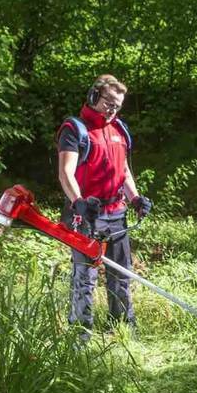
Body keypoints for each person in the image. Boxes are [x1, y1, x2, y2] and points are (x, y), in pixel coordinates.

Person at [57, 74, 152, 341]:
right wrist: (79, 203)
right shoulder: (75, 129)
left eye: (117, 106)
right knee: (85, 275)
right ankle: (80, 333)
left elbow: (123, 170)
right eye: (108, 103)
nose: (112, 110)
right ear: (93, 96)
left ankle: (122, 326)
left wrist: (135, 198)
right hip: (87, 214)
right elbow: (65, 172)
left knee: (121, 272)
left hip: (116, 212)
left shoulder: (119, 130)